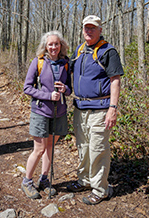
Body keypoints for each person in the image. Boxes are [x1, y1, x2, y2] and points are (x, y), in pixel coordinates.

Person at [67, 15, 124, 205]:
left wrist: (112, 108)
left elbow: (115, 80)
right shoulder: (80, 50)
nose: (88, 31)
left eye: (93, 28)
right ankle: (84, 181)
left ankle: (100, 189)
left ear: (100, 30)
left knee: (98, 149)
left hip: (100, 109)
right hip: (80, 108)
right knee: (83, 147)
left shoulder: (108, 51)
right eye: (86, 28)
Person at [22, 31, 72, 199]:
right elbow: (27, 88)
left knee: (50, 147)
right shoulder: (38, 62)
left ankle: (44, 180)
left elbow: (70, 89)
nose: (53, 47)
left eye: (56, 44)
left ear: (61, 45)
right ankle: (27, 182)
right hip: (41, 111)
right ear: (45, 46)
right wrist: (48, 95)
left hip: (59, 112)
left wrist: (65, 89)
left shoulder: (66, 63)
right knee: (39, 149)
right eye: (50, 44)